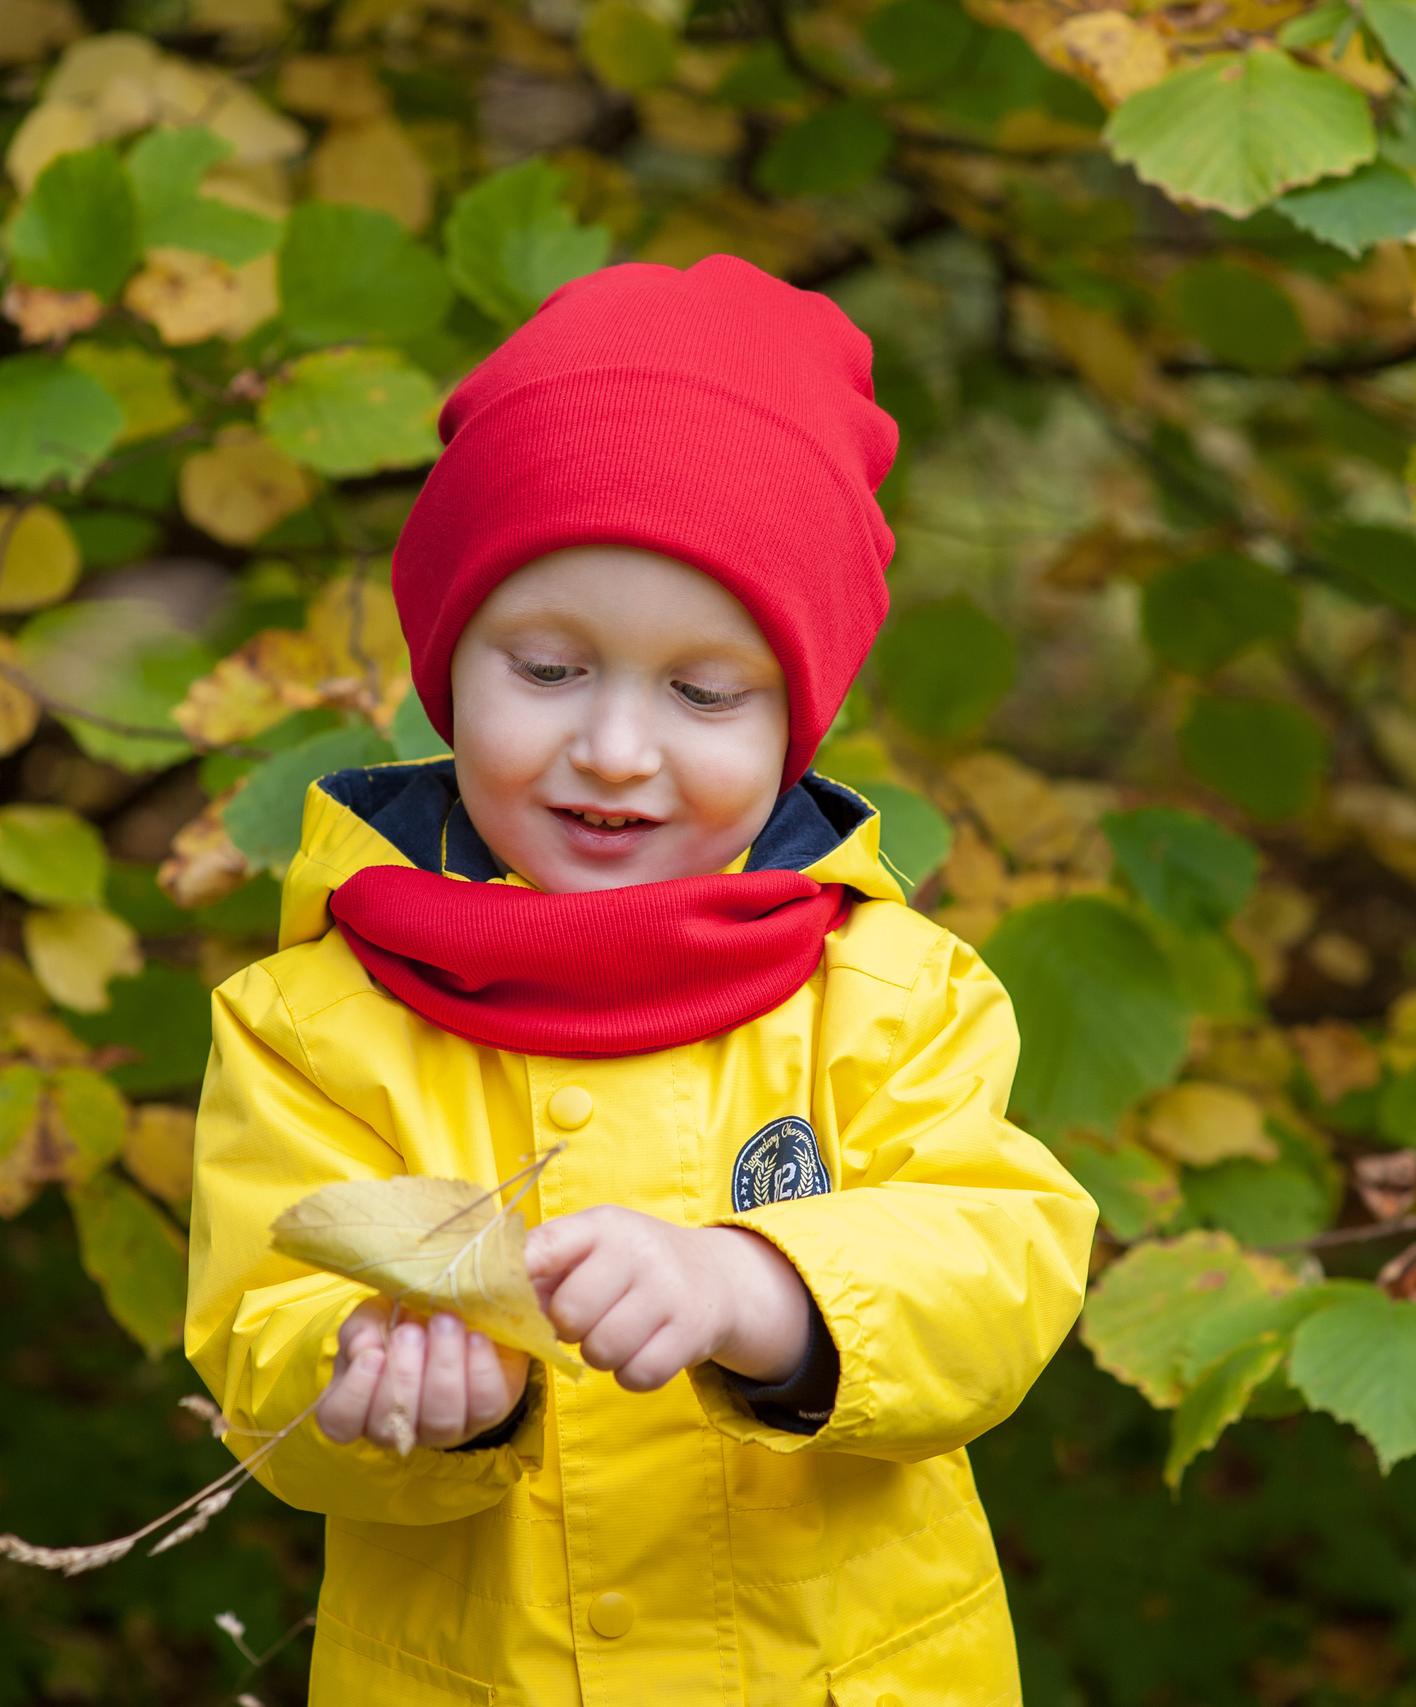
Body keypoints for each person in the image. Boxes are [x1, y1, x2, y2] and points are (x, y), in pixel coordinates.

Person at [188, 253, 1097, 1706]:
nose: (614, 747)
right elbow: (259, 1334)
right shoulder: (313, 1020)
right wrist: (377, 1380)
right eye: (546, 668)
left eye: (702, 692)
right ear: (448, 664)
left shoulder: (890, 993)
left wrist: (765, 1285)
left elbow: (999, 1268)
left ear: (796, 718)